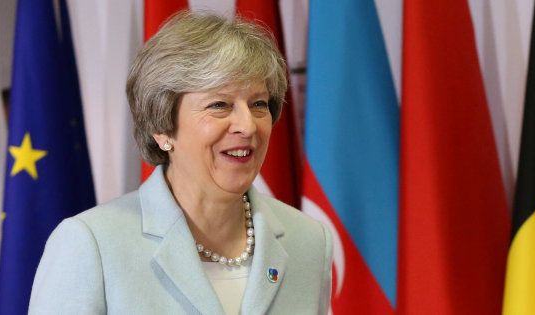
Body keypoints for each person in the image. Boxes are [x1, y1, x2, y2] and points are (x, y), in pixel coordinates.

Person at [28, 11, 332, 315]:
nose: (248, 126)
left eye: (258, 104)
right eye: (219, 105)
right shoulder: (91, 244)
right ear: (162, 127)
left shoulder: (308, 240)